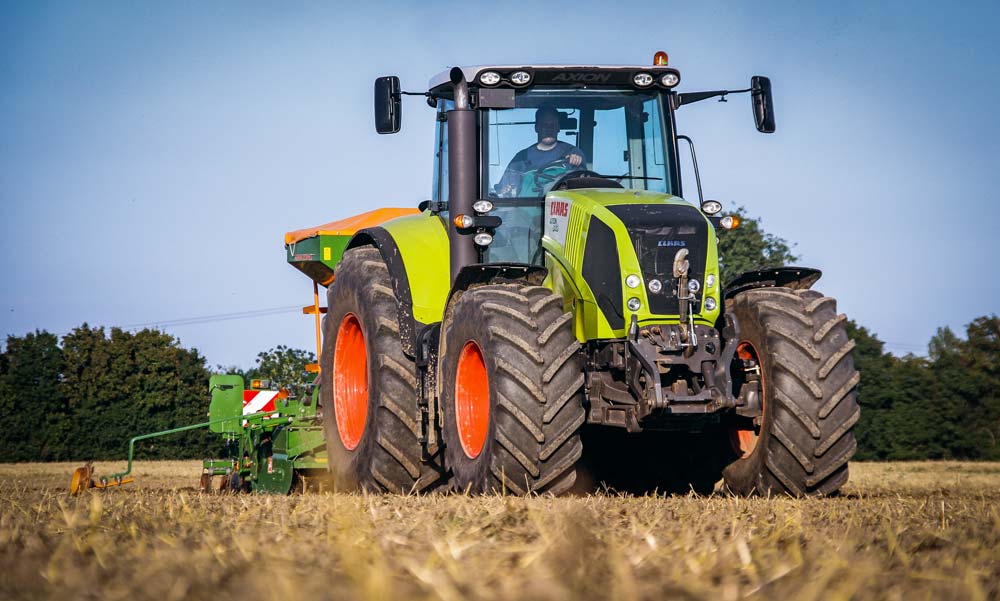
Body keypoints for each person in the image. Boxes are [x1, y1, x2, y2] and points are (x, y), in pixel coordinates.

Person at [498, 107, 586, 196]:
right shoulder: (522, 157)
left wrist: (576, 161)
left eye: (553, 125)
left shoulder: (572, 153)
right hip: (528, 206)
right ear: (536, 128)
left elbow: (582, 185)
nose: (549, 129)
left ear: (558, 128)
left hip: (560, 206)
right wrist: (506, 189)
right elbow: (504, 188)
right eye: (544, 125)